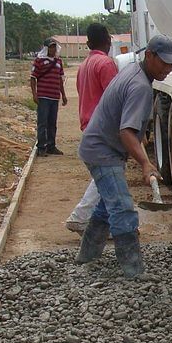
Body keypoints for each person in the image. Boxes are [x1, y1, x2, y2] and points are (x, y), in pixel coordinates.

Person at [76, 34, 172, 279]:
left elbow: (129, 125)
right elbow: (126, 132)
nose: (168, 69)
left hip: (99, 145)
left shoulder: (134, 70)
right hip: (103, 151)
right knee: (122, 208)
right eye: (163, 62)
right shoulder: (141, 87)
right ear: (149, 55)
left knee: (106, 206)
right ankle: (133, 271)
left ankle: (86, 256)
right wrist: (145, 163)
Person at [65, 23, 119, 233]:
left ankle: (104, 221)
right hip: (103, 127)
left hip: (89, 125)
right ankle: (81, 216)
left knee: (107, 175)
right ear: (108, 41)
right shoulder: (105, 64)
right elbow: (115, 99)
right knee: (107, 175)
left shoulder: (84, 65)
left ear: (87, 43)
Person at [30, 38, 67, 156]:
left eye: (54, 47)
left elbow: (60, 79)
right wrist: (34, 94)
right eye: (51, 47)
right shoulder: (39, 61)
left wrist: (63, 95)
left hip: (54, 96)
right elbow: (33, 78)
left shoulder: (58, 62)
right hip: (43, 96)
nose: (53, 49)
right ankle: (41, 147)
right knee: (42, 123)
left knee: (52, 123)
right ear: (46, 48)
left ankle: (51, 146)